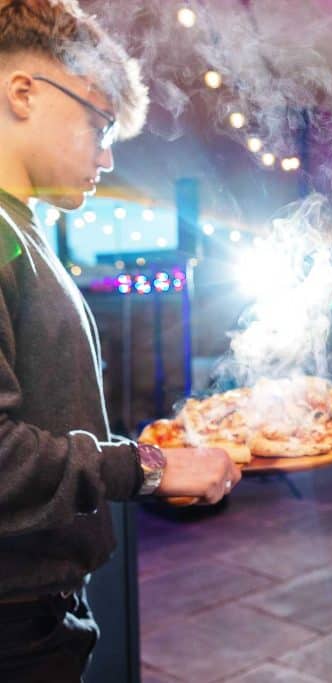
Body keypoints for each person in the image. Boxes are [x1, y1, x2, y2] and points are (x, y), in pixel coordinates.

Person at [0, 2, 241, 680]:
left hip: (40, 604)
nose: (108, 155)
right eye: (98, 123)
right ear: (24, 92)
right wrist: (149, 467)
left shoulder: (21, 231)